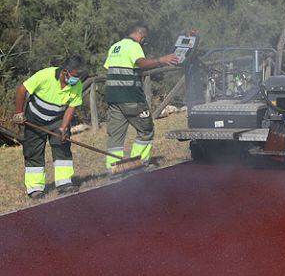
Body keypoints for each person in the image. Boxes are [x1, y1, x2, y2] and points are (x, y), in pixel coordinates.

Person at [103, 24, 179, 172]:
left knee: (116, 136)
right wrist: (160, 60)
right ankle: (139, 164)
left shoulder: (115, 47)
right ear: (141, 35)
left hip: (113, 98)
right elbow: (142, 63)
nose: (144, 42)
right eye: (145, 39)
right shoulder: (133, 46)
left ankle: (113, 170)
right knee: (146, 129)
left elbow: (110, 68)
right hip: (131, 97)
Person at [12, 56, 89, 198]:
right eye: (75, 76)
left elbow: (71, 107)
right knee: (33, 152)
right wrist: (18, 112)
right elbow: (22, 89)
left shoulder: (76, 86)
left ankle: (64, 183)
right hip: (34, 119)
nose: (77, 80)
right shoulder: (45, 75)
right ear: (65, 72)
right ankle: (35, 188)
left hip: (57, 120)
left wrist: (63, 128)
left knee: (62, 147)